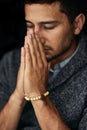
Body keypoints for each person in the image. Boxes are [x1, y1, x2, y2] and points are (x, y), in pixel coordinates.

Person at [0, 0, 87, 130]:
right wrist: (18, 95)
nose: (37, 37)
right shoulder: (11, 61)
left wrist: (38, 95)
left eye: (48, 27)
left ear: (77, 24)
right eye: (29, 26)